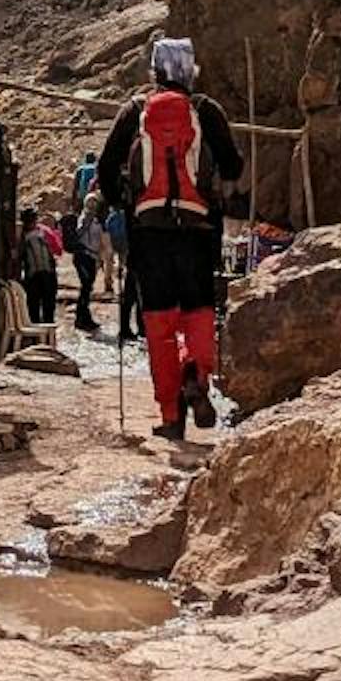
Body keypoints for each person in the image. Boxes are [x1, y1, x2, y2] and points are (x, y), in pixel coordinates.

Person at [97, 38, 242, 440]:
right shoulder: (206, 111)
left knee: (158, 323)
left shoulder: (135, 110)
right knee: (198, 310)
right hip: (198, 230)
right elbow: (233, 163)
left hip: (148, 232)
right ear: (189, 70)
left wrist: (122, 201)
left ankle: (171, 415)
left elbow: (107, 167)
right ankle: (196, 372)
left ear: (156, 72)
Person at [106, 201, 140, 342]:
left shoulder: (116, 216)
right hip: (138, 258)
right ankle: (140, 328)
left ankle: (126, 328)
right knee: (137, 296)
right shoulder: (137, 217)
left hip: (129, 256)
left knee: (129, 297)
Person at [72, 191, 106, 332]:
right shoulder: (84, 218)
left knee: (88, 288)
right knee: (85, 287)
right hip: (83, 256)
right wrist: (86, 223)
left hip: (93, 257)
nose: (92, 205)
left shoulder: (98, 220)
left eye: (95, 202)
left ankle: (85, 317)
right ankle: (81, 318)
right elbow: (78, 234)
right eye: (90, 202)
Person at [19, 207, 58, 326]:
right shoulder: (27, 236)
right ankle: (41, 337)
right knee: (39, 308)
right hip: (38, 275)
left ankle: (44, 336)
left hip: (42, 274)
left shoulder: (36, 234)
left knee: (43, 308)